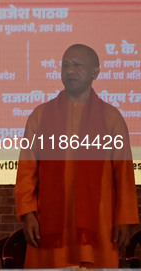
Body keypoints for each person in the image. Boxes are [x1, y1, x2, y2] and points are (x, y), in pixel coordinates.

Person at [15, 44, 139, 268]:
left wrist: (124, 219)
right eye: (65, 65)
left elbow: (123, 175)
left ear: (95, 72)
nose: (70, 70)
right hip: (49, 225)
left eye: (77, 65)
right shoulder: (40, 115)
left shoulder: (111, 117)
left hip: (99, 225)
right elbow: (27, 169)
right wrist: (28, 213)